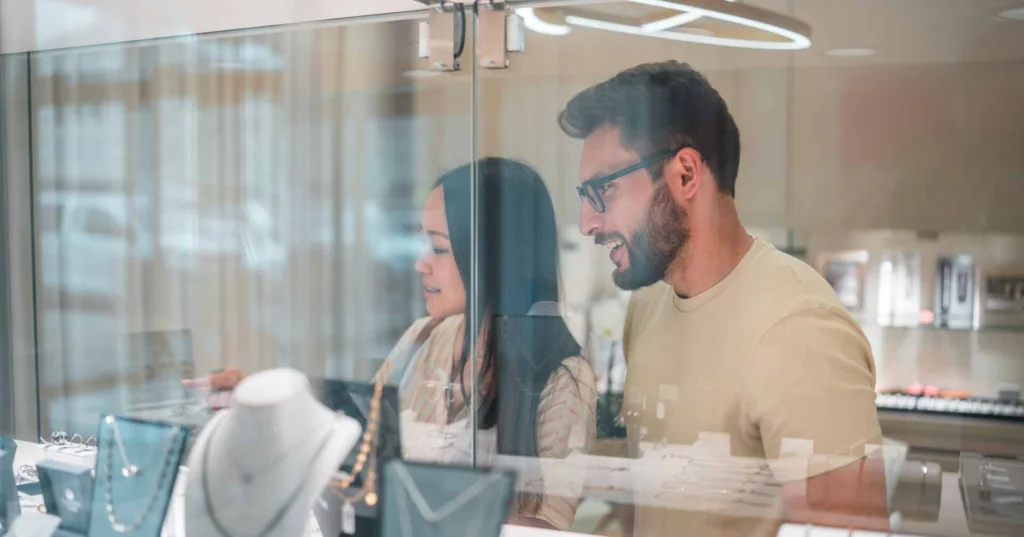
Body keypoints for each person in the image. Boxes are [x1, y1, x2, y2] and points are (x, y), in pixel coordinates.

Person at [559, 61, 887, 535]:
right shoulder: (649, 307)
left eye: (602, 191)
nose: (588, 222)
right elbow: (649, 500)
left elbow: (853, 530)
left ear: (686, 174)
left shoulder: (799, 329)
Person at [190, 158, 597, 531]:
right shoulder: (422, 339)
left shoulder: (564, 379)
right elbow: (350, 444)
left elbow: (543, 529)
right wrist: (260, 400)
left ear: (493, 257)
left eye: (438, 247)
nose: (421, 262)